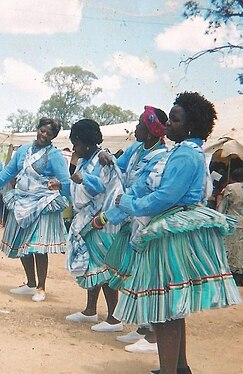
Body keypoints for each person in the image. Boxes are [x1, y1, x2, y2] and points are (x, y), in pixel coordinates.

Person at [95, 92, 241, 374]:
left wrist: (129, 204)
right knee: (172, 305)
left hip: (170, 232)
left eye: (174, 120)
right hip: (171, 229)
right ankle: (178, 368)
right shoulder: (182, 151)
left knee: (166, 306)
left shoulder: (186, 154)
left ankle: (170, 371)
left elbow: (165, 196)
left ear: (190, 126)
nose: (168, 125)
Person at [97, 106, 168, 352]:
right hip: (131, 219)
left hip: (147, 222)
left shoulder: (160, 157)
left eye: (138, 124)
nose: (134, 128)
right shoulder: (137, 149)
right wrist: (107, 158)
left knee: (146, 276)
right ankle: (142, 327)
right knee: (133, 275)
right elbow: (119, 167)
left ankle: (153, 337)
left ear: (150, 131)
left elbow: (138, 191)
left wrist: (106, 218)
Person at [0, 117, 70, 302]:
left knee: (38, 248)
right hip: (21, 201)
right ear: (37, 129)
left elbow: (66, 182)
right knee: (22, 244)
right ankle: (30, 283)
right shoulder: (23, 150)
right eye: (42, 131)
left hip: (42, 204)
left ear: (54, 136)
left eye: (49, 133)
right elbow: (8, 173)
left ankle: (41, 287)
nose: (44, 135)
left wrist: (59, 185)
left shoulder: (55, 155)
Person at [66, 119, 124, 332]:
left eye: (76, 143)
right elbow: (74, 185)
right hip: (86, 220)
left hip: (101, 222)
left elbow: (103, 187)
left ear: (87, 143)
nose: (74, 148)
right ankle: (90, 310)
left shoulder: (104, 159)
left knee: (105, 269)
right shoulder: (85, 159)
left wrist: (84, 179)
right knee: (92, 267)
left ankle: (114, 318)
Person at [217, 167, 243, 286]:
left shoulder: (231, 188)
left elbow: (222, 207)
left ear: (233, 178)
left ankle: (235, 277)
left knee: (234, 252)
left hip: (234, 223)